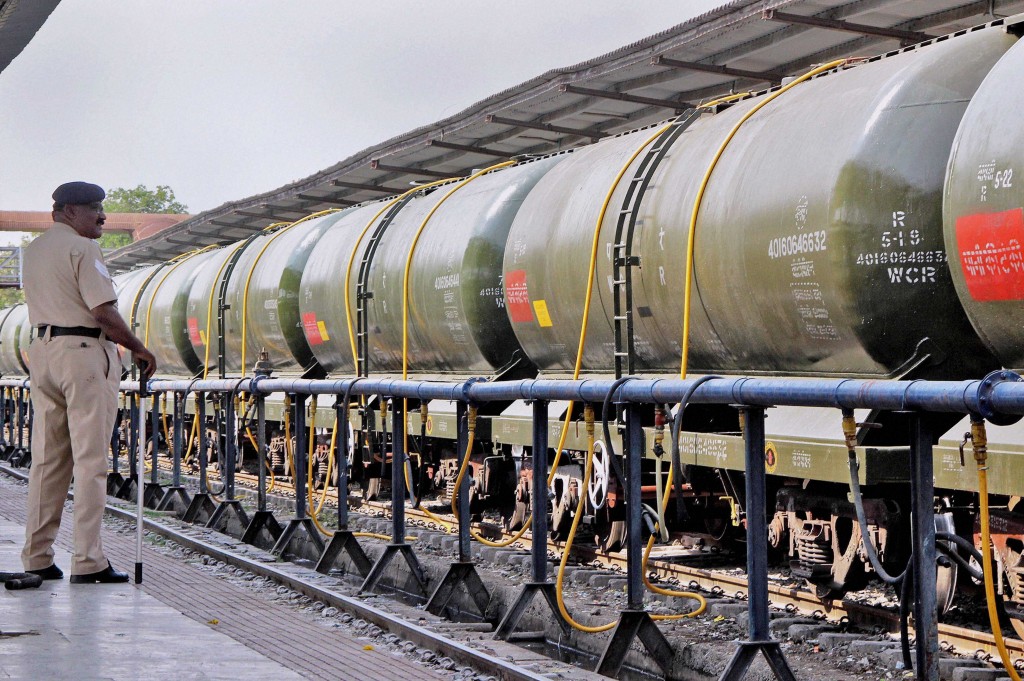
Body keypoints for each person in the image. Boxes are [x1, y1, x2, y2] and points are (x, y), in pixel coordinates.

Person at [20, 181, 157, 584]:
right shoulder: (83, 248)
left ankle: (37, 556)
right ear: (67, 212)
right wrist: (139, 348)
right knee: (91, 461)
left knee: (46, 460)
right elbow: (102, 311)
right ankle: (88, 560)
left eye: (102, 207)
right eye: (93, 208)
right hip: (82, 353)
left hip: (43, 354)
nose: (102, 216)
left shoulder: (35, 251)